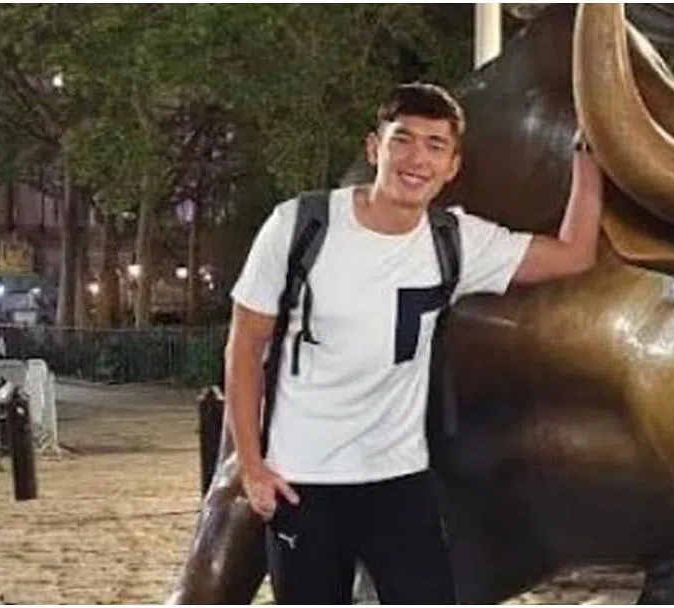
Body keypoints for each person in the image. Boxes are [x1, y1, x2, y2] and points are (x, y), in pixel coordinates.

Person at [226, 82, 604, 605]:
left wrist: (588, 154)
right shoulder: (300, 225)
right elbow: (245, 347)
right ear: (374, 148)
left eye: (435, 145)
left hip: (399, 479)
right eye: (402, 140)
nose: (416, 159)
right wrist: (252, 465)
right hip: (303, 480)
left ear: (452, 166)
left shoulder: (456, 240)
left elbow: (574, 255)